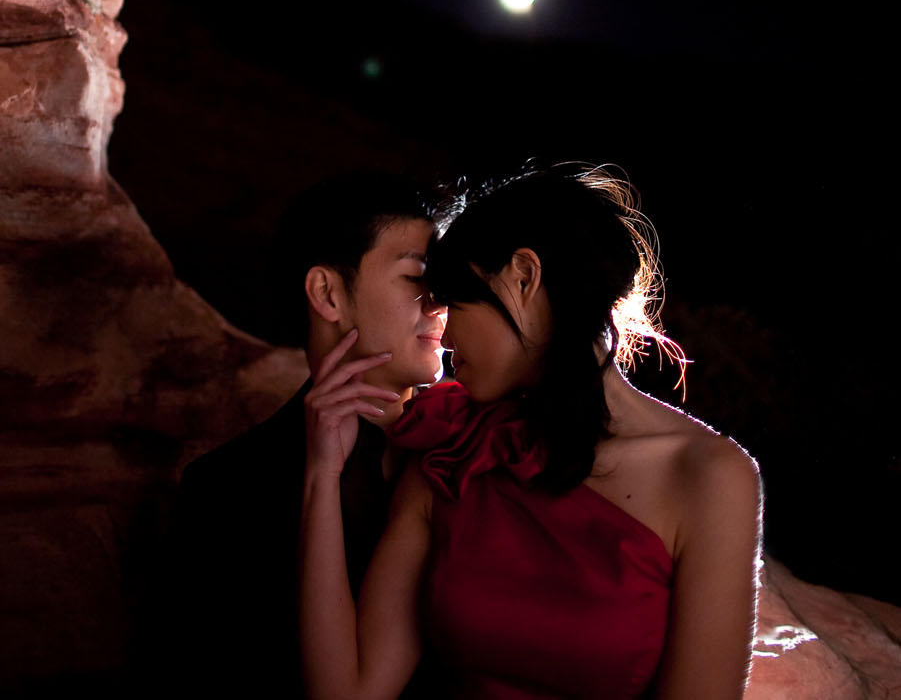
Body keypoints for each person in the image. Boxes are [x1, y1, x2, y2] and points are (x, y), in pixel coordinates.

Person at [301, 163, 762, 699]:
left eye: (458, 303)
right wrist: (321, 475)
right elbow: (347, 694)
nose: (444, 333)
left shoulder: (711, 477)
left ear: (523, 277)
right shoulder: (457, 452)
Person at [164, 172, 447, 698]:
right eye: (416, 277)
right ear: (328, 293)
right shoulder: (226, 491)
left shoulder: (476, 454)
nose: (439, 302)